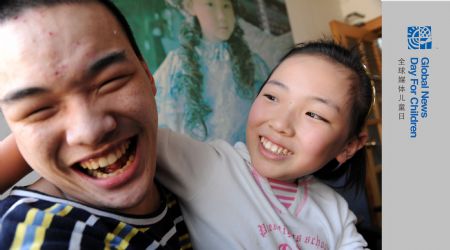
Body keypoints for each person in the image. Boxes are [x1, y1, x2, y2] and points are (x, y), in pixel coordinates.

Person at [1, 41, 372, 249]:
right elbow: (110, 133)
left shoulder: (334, 211)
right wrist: (36, 129)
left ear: (349, 147)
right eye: (273, 97)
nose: (279, 123)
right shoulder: (209, 164)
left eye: (315, 115)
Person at [0, 0, 191, 249]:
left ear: (148, 75)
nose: (89, 132)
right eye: (38, 110)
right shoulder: (37, 235)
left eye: (110, 81)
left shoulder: (183, 173)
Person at [155, 0, 270, 143]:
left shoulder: (254, 65)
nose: (222, 16)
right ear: (190, 7)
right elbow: (165, 127)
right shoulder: (176, 67)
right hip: (195, 161)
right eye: (210, 4)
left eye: (226, 6)